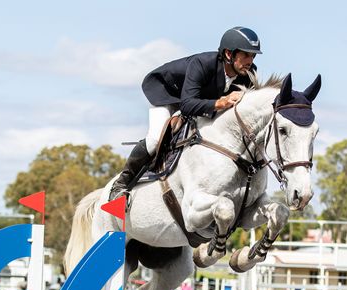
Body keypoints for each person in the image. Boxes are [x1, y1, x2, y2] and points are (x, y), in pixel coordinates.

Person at [108, 26, 262, 202]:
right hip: (167, 92)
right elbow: (188, 104)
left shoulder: (248, 73)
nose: (250, 60)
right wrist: (220, 102)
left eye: (253, 56)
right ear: (229, 54)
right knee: (156, 138)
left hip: (196, 100)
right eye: (246, 55)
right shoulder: (203, 64)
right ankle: (121, 184)